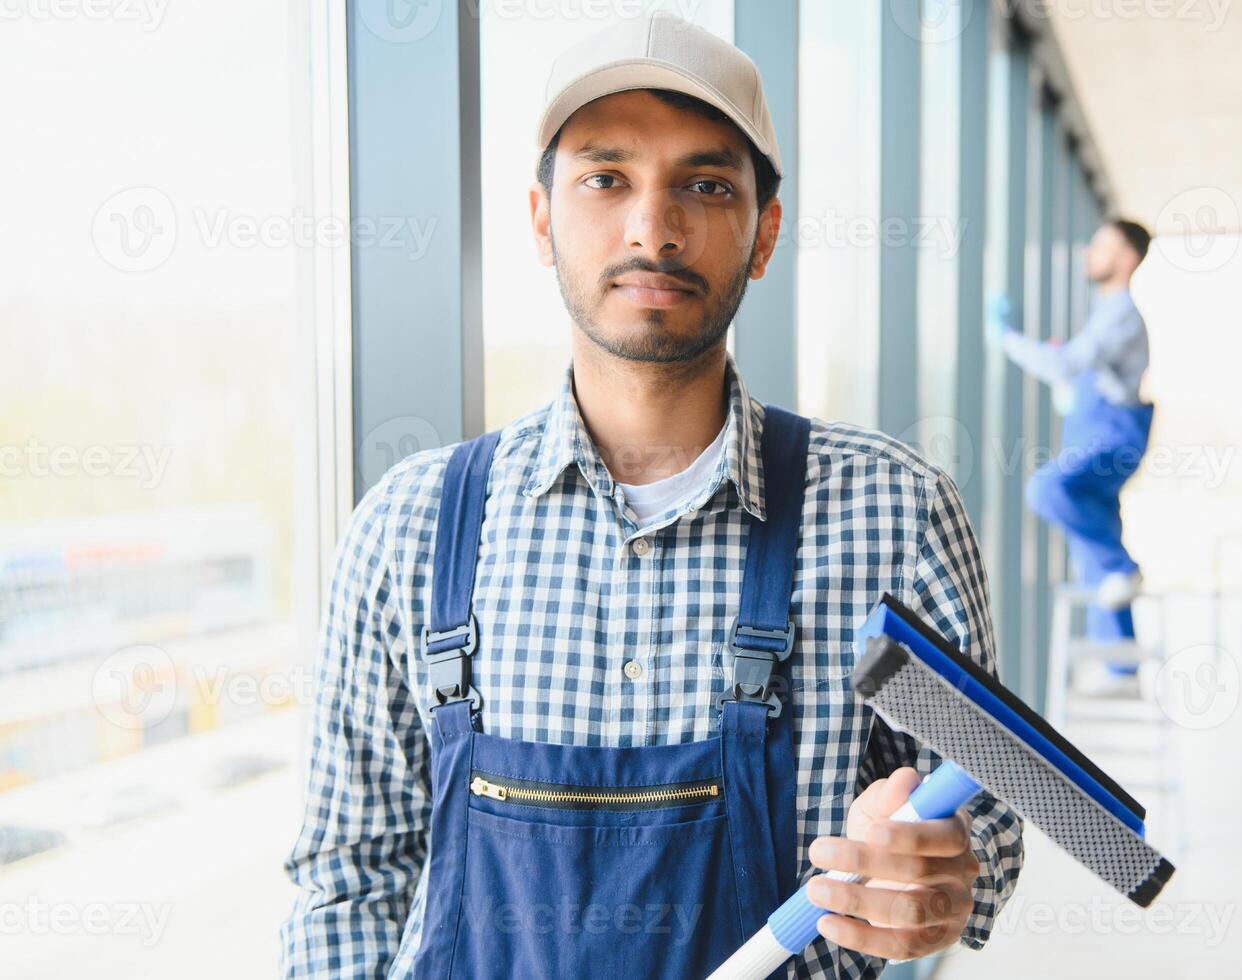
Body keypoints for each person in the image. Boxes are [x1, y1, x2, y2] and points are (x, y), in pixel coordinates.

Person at [278, 13, 1021, 979]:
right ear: (542, 220)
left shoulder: (895, 511)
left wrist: (939, 875)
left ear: (764, 234)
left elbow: (993, 826)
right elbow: (347, 875)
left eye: (705, 185)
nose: (651, 228)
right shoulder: (410, 527)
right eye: (605, 178)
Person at [989, 220, 1154, 645]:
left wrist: (1006, 338)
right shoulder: (1104, 314)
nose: (1089, 253)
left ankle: (1124, 569)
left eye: (1102, 246)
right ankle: (1120, 665)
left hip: (1112, 438)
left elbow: (1066, 366)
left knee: (1046, 490)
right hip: (1092, 434)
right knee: (1092, 549)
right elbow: (1085, 374)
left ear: (1127, 259)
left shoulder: (1119, 313)